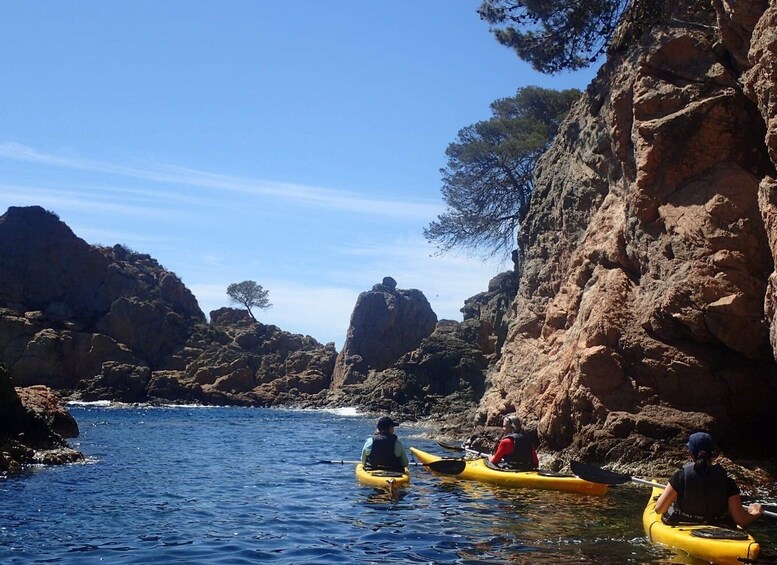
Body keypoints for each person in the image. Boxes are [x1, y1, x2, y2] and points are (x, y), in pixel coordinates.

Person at [654, 432, 763, 527]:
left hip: (685, 523)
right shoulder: (727, 480)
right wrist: (755, 512)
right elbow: (741, 520)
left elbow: (659, 509)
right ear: (713, 454)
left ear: (690, 454)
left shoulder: (680, 476)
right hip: (717, 525)